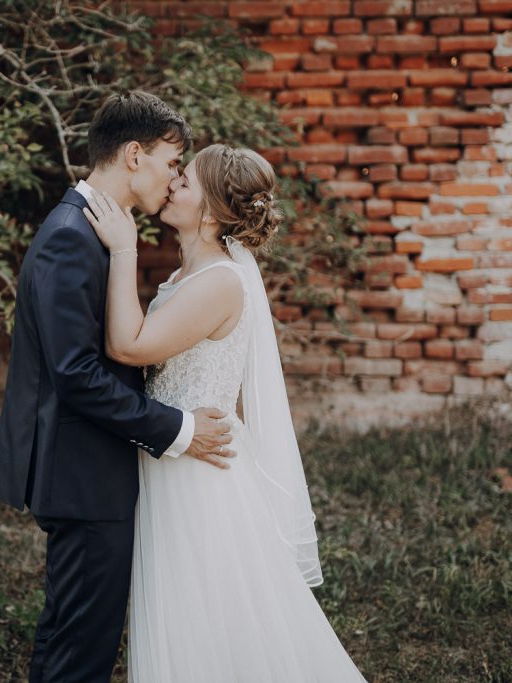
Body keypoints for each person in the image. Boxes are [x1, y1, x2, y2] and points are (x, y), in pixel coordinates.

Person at [83, 143, 367, 681]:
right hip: (178, 453)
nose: (171, 186)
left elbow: (128, 347)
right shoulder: (199, 271)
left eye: (184, 182)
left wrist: (124, 252)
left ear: (211, 211)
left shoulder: (219, 281)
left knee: (208, 615)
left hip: (197, 474)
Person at [0, 92, 237, 683]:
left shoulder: (98, 229)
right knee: (79, 652)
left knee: (78, 639)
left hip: (93, 471)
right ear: (134, 155)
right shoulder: (70, 235)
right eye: (173, 162)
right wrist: (179, 430)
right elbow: (76, 374)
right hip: (82, 475)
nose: (176, 177)